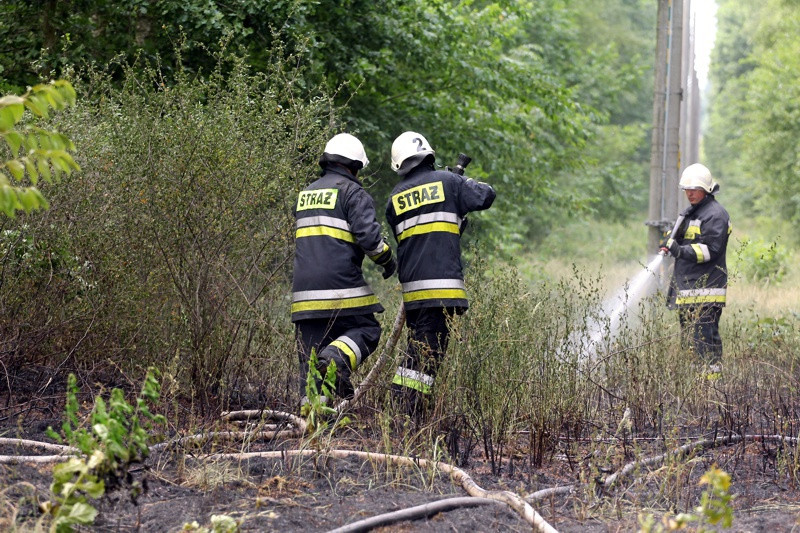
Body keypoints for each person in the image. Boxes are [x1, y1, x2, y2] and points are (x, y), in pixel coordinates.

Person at [385, 131, 496, 416]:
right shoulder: (448, 182)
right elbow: (486, 195)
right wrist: (458, 185)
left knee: (420, 347)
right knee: (428, 355)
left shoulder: (393, 199)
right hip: (443, 289)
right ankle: (405, 410)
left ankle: (406, 408)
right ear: (428, 154)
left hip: (413, 293)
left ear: (400, 164)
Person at [292, 133, 396, 409]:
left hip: (303, 296)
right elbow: (370, 241)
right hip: (340, 287)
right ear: (355, 166)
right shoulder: (352, 192)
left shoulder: (305, 195)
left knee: (311, 362)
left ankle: (312, 420)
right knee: (367, 329)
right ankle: (336, 360)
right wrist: (388, 260)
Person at [660, 163, 731, 365]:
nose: (690, 193)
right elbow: (683, 238)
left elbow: (711, 250)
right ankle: (694, 381)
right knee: (690, 345)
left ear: (706, 189)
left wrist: (679, 250)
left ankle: (710, 380)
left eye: (695, 189)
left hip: (707, 291)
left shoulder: (715, 215)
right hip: (689, 290)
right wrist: (669, 241)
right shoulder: (692, 213)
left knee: (705, 344)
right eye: (687, 189)